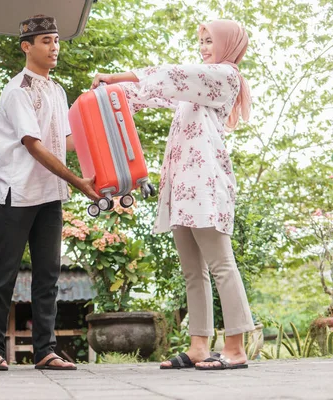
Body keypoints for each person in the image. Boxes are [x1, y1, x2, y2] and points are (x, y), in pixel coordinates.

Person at [91, 20, 254, 370]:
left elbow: (172, 75)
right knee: (193, 271)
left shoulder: (225, 76)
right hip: (181, 186)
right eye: (201, 42)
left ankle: (236, 347)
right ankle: (198, 346)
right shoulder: (195, 86)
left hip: (206, 184)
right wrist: (108, 93)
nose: (204, 47)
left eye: (210, 41)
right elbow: (151, 93)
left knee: (221, 265)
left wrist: (118, 75)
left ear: (229, 44)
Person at [0, 15, 100, 371]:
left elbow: (63, 142)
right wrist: (80, 183)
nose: (54, 47)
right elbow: (34, 146)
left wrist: (99, 148)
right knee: (5, 274)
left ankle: (45, 351)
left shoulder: (57, 90)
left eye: (56, 41)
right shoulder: (18, 90)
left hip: (50, 193)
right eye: (46, 41)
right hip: (16, 192)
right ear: (27, 46)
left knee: (48, 275)